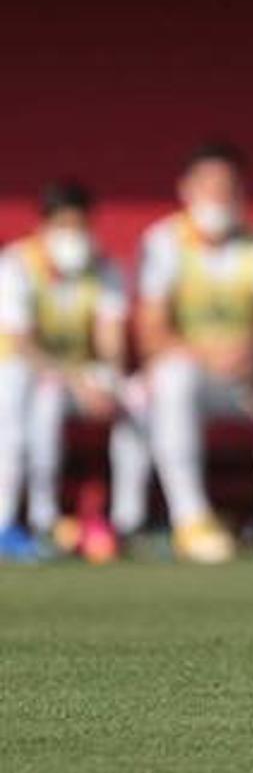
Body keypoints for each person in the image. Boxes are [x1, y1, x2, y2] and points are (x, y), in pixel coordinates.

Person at [136, 142, 253, 564]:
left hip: (250, 376)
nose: (218, 197)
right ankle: (191, 520)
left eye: (226, 187)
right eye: (208, 187)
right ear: (185, 189)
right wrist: (206, 354)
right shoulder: (162, 242)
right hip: (195, 374)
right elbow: (150, 331)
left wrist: (251, 346)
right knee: (173, 376)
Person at [0, 181, 140, 562]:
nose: (73, 236)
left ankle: (129, 519)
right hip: (19, 376)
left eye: (80, 226)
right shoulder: (15, 265)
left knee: (138, 399)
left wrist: (109, 382)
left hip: (75, 379)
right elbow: (22, 343)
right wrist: (76, 380)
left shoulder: (105, 268)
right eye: (64, 225)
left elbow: (111, 344)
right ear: (43, 226)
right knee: (24, 399)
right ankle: (15, 518)